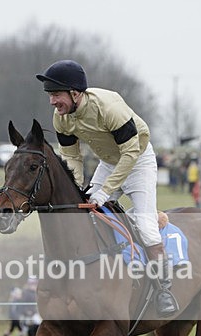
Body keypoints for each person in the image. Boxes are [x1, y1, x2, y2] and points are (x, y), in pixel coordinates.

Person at [36, 59, 178, 316]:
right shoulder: (62, 119)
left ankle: (163, 289)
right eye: (50, 96)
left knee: (146, 228)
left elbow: (130, 153)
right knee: (84, 213)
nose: (52, 102)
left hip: (138, 160)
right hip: (110, 163)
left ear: (75, 93)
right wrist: (79, 188)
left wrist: (105, 190)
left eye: (56, 95)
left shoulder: (108, 107)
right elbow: (72, 159)